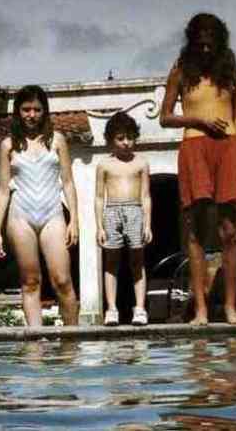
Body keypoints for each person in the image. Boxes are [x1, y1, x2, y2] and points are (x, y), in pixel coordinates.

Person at [158, 13, 236, 325]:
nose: (206, 45)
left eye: (211, 39)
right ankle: (199, 310)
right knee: (197, 230)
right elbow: (165, 116)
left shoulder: (229, 69)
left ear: (219, 39)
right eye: (201, 39)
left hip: (227, 146)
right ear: (192, 39)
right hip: (195, 145)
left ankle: (228, 307)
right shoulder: (181, 69)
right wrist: (199, 121)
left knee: (231, 231)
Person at [0, 85, 80, 326]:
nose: (31, 114)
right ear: (18, 112)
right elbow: (2, 190)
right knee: (30, 281)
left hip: (53, 215)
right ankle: (35, 350)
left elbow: (69, 183)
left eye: (37, 109)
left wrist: (74, 220)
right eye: (26, 109)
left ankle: (72, 342)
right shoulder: (8, 145)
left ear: (45, 111)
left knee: (62, 280)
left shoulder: (57, 140)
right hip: (20, 216)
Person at [94, 111, 152, 326]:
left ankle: (140, 308)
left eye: (130, 137)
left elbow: (146, 196)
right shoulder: (104, 165)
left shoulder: (141, 163)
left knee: (138, 261)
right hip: (112, 211)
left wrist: (148, 223)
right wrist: (99, 226)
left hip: (135, 210)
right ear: (111, 140)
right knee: (111, 262)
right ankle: (111, 308)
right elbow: (99, 197)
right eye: (120, 138)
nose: (126, 143)